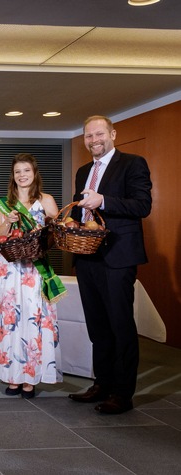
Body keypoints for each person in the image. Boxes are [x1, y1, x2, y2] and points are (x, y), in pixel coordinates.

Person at [68, 115, 152, 414]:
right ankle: (101, 384)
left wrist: (103, 200)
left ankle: (122, 393)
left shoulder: (132, 163)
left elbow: (142, 206)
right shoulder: (83, 171)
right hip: (88, 257)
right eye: (89, 136)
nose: (94, 140)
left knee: (120, 325)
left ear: (113, 134)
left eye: (99, 134)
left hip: (118, 257)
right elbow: (82, 214)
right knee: (98, 327)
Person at [0, 153, 66, 398]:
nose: (22, 175)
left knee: (34, 318)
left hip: (35, 267)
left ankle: (31, 377)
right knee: (9, 319)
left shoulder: (47, 200)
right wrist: (8, 222)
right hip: (9, 267)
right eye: (18, 171)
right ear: (13, 175)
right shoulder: (3, 204)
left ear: (34, 173)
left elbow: (59, 229)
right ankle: (12, 376)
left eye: (26, 171)